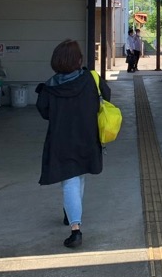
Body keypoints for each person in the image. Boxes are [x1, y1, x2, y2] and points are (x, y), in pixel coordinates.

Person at [35, 39, 110, 249]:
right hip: (87, 137)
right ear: (79, 60)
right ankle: (71, 214)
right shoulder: (90, 79)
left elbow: (44, 111)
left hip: (62, 139)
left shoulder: (50, 86)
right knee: (79, 174)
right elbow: (107, 96)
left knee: (69, 180)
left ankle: (75, 229)